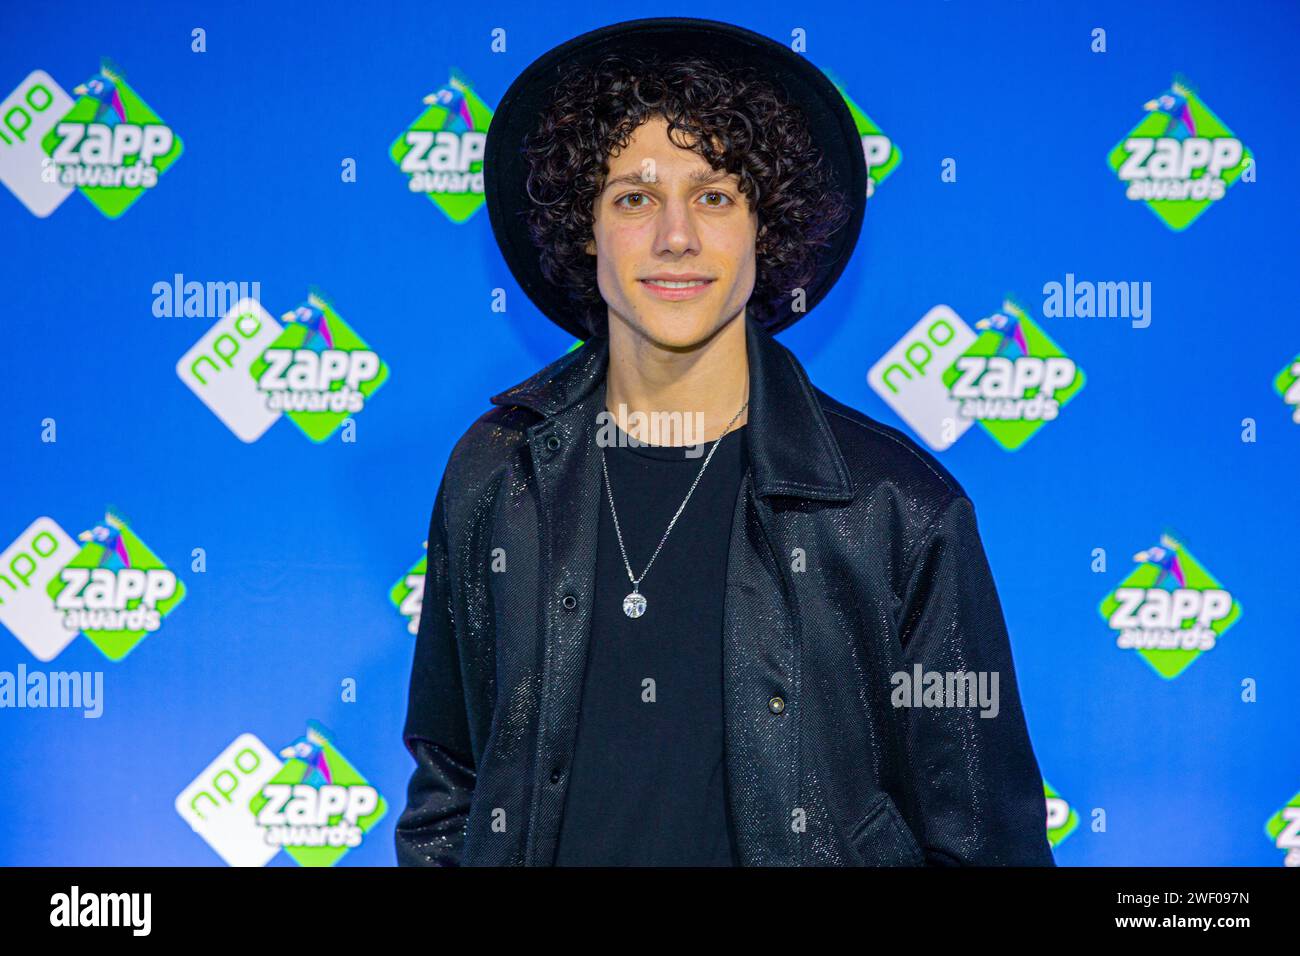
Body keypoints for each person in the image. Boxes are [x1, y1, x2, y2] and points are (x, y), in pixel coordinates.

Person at [396, 16, 1055, 867]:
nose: (676, 236)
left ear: (765, 228)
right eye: (633, 197)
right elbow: (450, 787)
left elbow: (984, 839)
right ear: (582, 229)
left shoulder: (895, 507)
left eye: (714, 196)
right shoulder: (497, 470)